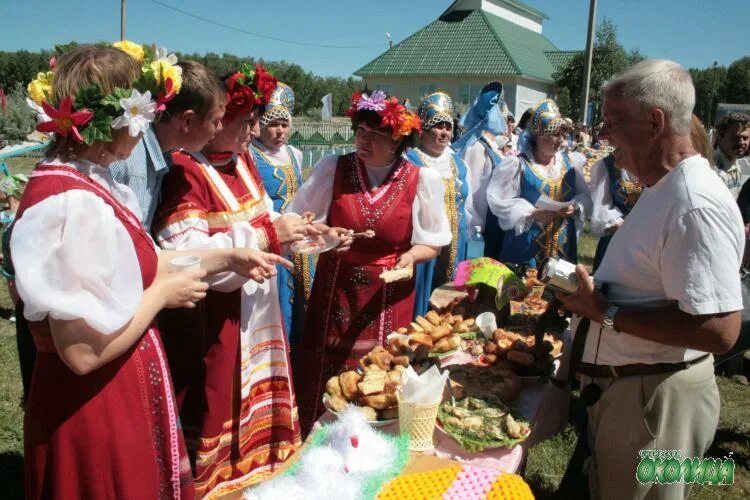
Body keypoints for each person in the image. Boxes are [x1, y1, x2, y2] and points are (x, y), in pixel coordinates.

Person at [13, 43, 286, 500]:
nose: (147, 128)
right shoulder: (71, 203)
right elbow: (80, 351)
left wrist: (223, 258)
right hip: (92, 408)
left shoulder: (90, 179)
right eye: (144, 114)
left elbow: (141, 260)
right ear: (120, 119)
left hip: (116, 392)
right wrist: (162, 295)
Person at [559, 59, 744, 499]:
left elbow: (719, 330)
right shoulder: (666, 187)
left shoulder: (693, 202)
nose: (602, 136)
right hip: (637, 392)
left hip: (655, 402)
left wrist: (602, 311)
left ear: (655, 122)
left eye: (612, 122)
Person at [153, 65, 318, 497]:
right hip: (213, 321)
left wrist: (298, 229)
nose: (254, 131)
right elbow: (186, 255)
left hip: (257, 313)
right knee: (213, 405)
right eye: (245, 121)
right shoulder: (184, 169)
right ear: (217, 119)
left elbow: (265, 215)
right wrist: (269, 234)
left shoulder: (242, 160)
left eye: (255, 121)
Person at [289, 90, 450, 434]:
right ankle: (317, 440)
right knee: (329, 376)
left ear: (397, 141)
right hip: (336, 286)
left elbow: (432, 241)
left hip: (389, 292)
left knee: (380, 376)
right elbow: (299, 220)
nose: (364, 140)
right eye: (360, 131)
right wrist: (329, 234)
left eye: (375, 135)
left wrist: (410, 256)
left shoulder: (421, 179)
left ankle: (373, 446)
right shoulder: (333, 169)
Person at [111, 58, 227, 231]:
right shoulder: (131, 164)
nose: (219, 129)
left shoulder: (160, 153)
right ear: (188, 121)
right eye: (216, 121)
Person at [486, 99, 591, 268]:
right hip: (526, 248)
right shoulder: (517, 165)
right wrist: (531, 213)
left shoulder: (571, 162)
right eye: (554, 134)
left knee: (559, 291)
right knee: (524, 291)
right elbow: (498, 202)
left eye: (562, 135)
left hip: (562, 247)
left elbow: (585, 195)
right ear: (538, 135)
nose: (560, 140)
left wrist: (576, 206)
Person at [249, 82, 312, 350]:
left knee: (304, 308)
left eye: (284, 124)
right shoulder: (249, 155)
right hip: (273, 246)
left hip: (300, 247)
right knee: (278, 312)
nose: (280, 130)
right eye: (273, 123)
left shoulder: (294, 155)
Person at [405, 92, 475, 316]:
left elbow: (468, 206)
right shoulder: (410, 161)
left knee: (452, 306)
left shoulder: (459, 164)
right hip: (424, 247)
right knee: (423, 305)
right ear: (423, 129)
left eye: (448, 126)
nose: (445, 132)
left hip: (457, 244)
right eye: (438, 126)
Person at [453, 82, 510, 260]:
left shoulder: (491, 146)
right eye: (504, 111)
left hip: (494, 226)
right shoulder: (477, 147)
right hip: (482, 232)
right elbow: (473, 195)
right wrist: (476, 237)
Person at [588, 154, 643, 271]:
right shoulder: (607, 165)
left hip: (648, 237)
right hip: (615, 235)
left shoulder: (657, 162)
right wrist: (616, 223)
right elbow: (602, 204)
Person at [712, 112, 750, 197]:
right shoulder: (713, 171)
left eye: (745, 138)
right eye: (735, 138)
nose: (741, 142)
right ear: (720, 137)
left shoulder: (736, 163)